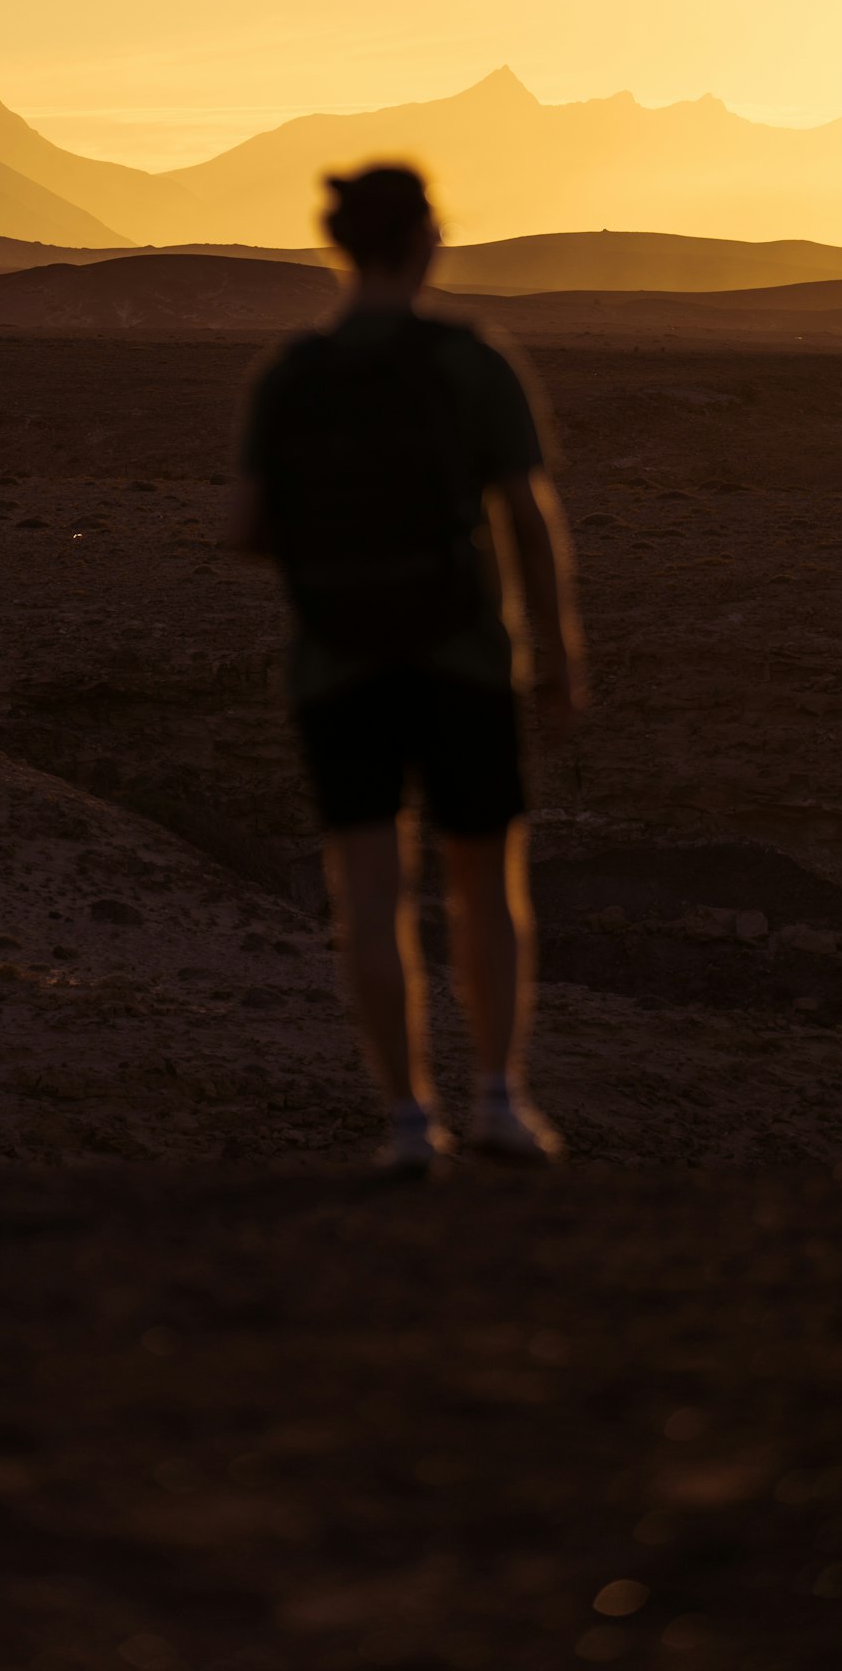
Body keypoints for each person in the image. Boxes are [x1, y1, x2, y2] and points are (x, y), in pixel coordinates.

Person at [231, 162, 586, 1172]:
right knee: (485, 881)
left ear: (336, 244)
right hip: (463, 656)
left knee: (368, 890)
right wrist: (557, 657)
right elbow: (527, 515)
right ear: (429, 240)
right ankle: (500, 1099)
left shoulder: (290, 374)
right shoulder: (471, 362)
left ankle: (402, 1120)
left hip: (335, 665)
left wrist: (341, 558)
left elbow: (245, 525)